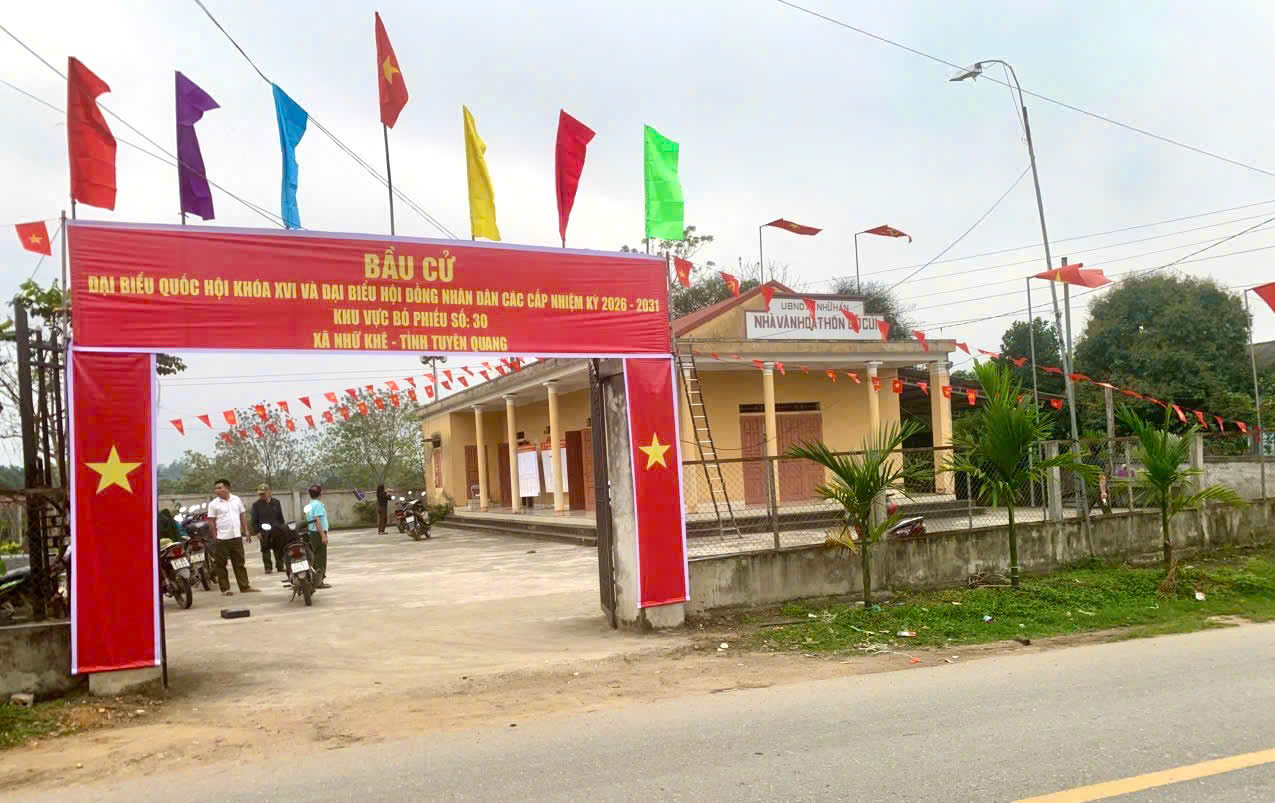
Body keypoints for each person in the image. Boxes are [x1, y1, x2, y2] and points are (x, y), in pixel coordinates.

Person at [207, 478, 259, 596]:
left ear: (227, 488)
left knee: (239, 563)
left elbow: (242, 515)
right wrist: (215, 536)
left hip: (236, 536)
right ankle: (225, 589)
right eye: (215, 488)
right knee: (221, 565)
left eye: (219, 488)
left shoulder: (236, 499)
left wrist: (246, 531)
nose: (217, 490)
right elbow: (211, 521)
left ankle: (244, 586)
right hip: (222, 538)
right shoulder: (213, 504)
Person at [251, 483, 288, 573]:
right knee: (265, 549)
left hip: (276, 529)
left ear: (269, 492)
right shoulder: (256, 505)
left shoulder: (276, 502)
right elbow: (254, 519)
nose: (261, 495)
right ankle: (268, 567)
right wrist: (257, 532)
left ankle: (280, 566)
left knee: (278, 548)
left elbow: (280, 517)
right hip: (264, 531)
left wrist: (283, 528)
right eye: (260, 494)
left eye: (263, 493)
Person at [303, 484, 332, 589]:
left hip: (312, 533)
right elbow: (317, 521)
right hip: (318, 533)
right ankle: (319, 581)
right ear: (320, 493)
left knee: (314, 557)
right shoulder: (318, 505)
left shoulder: (309, 505)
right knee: (320, 558)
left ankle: (314, 580)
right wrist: (323, 535)